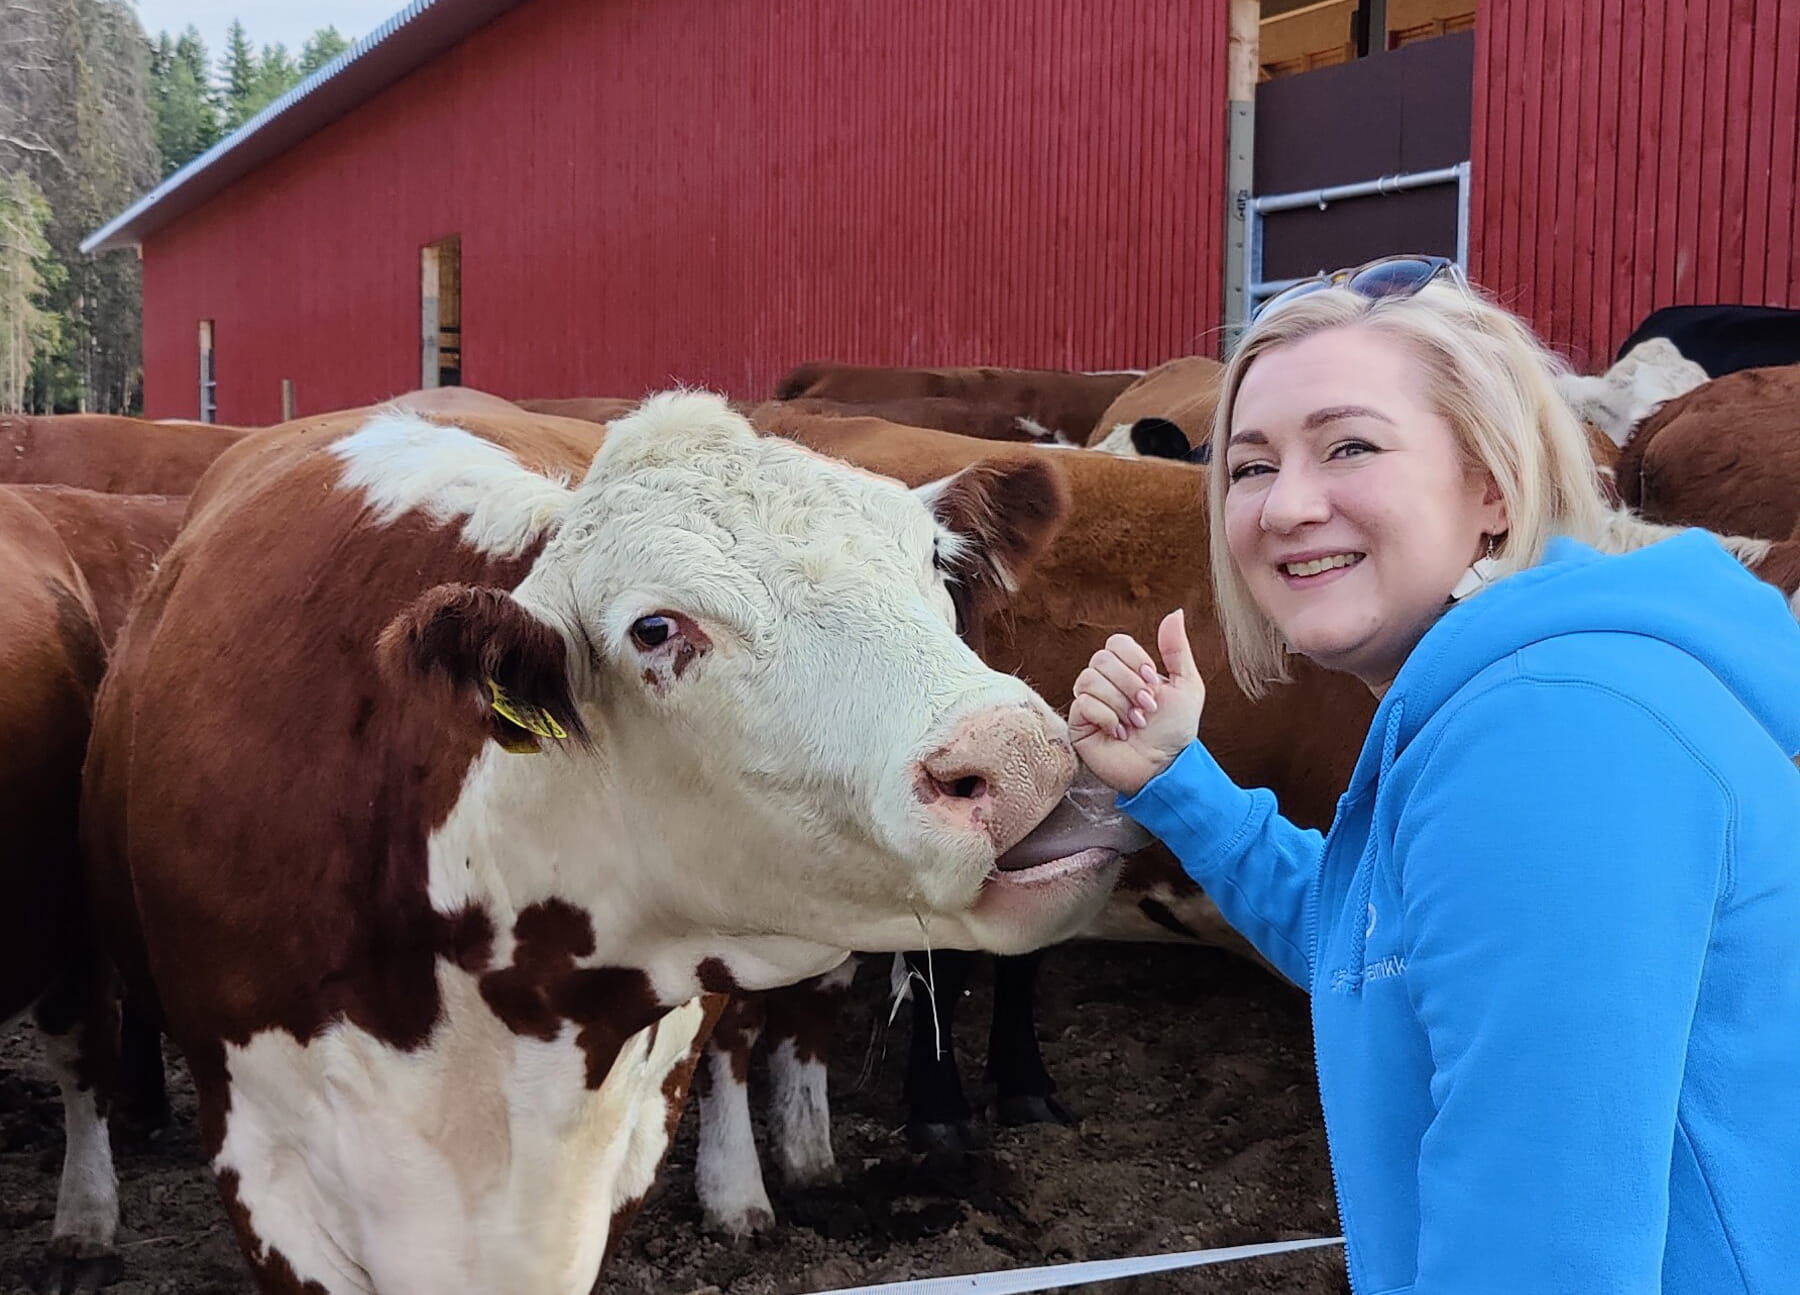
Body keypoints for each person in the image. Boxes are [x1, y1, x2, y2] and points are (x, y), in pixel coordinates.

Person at [1071, 257, 1800, 1295]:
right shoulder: (1521, 696)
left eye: (1350, 446)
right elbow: (1385, 946)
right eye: (1248, 465)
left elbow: (1544, 1257)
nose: (1284, 507)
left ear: (1493, 487)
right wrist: (1177, 781)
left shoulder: (1552, 736)